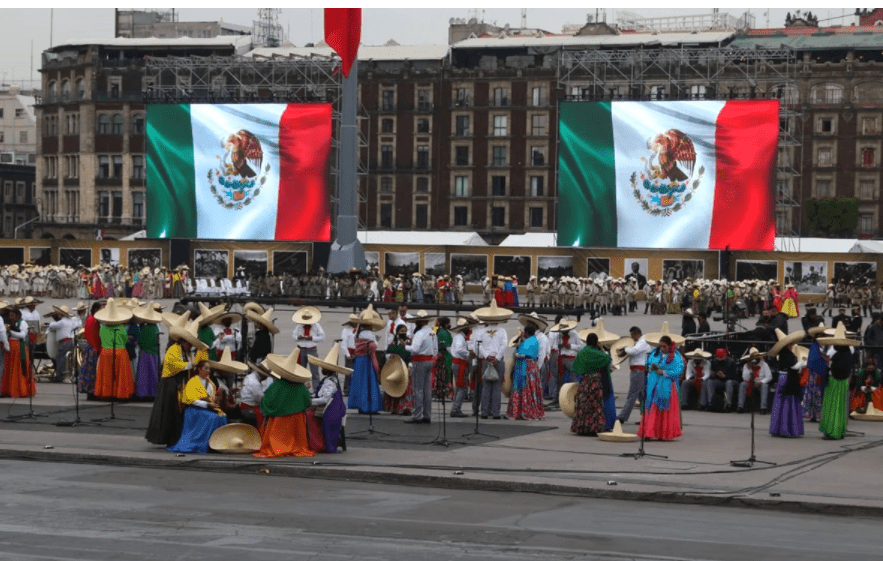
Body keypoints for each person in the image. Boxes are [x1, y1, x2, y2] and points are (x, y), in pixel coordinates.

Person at [145, 319, 205, 446]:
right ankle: (169, 438)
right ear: (183, 340)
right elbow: (173, 364)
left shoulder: (187, 352)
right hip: (171, 383)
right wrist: (190, 365)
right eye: (189, 343)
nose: (191, 346)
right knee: (170, 411)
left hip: (181, 383)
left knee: (178, 412)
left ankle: (177, 436)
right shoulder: (174, 349)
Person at [254, 349, 315, 458]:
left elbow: (267, 401)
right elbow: (307, 401)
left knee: (279, 438)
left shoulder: (276, 386)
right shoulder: (301, 387)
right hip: (297, 419)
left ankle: (280, 448)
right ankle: (296, 447)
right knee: (296, 439)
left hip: (280, 419)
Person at [167, 360, 229, 454]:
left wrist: (213, 404)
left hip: (206, 408)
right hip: (194, 409)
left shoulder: (211, 383)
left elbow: (211, 398)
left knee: (222, 416)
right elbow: (191, 400)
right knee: (212, 417)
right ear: (200, 370)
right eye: (206, 368)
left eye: (209, 369)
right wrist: (207, 404)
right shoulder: (193, 381)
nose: (208, 371)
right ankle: (201, 443)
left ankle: (215, 444)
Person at [818, 325, 861, 440]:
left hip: (834, 382)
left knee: (832, 407)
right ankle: (839, 430)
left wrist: (828, 362)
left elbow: (833, 367)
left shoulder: (836, 353)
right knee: (841, 407)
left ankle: (832, 431)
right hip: (843, 382)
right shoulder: (850, 352)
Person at [638, 335, 683, 441]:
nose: (662, 348)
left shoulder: (675, 356)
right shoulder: (655, 353)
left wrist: (664, 372)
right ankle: (648, 432)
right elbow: (647, 363)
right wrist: (651, 367)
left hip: (666, 385)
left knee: (662, 408)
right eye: (661, 345)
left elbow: (678, 370)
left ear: (669, 346)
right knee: (650, 406)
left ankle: (663, 433)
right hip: (653, 382)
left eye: (664, 346)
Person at [307, 344, 351, 453]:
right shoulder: (329, 380)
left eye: (324, 367)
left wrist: (309, 401)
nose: (322, 369)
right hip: (328, 409)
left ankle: (316, 443)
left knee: (308, 415)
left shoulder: (330, 382)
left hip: (330, 412)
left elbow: (323, 399)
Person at [93, 299, 135, 401]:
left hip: (106, 352)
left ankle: (106, 393)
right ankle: (120, 393)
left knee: (106, 374)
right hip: (120, 351)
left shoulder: (103, 328)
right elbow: (125, 340)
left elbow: (101, 338)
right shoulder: (121, 328)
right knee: (121, 375)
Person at [768, 328, 807, 438]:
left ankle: (779, 427)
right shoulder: (787, 354)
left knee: (781, 403)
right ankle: (788, 428)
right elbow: (793, 367)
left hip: (783, 377)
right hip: (788, 379)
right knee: (788, 402)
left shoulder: (783, 353)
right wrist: (803, 362)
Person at [570, 332, 611, 436]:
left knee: (583, 404)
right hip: (595, 382)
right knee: (595, 404)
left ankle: (581, 427)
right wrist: (601, 348)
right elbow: (608, 359)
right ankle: (594, 427)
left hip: (585, 381)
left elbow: (576, 366)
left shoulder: (582, 352)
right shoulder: (598, 354)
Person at [347, 305, 384, 414]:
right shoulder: (370, 334)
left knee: (360, 383)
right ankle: (370, 406)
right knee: (369, 383)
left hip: (359, 361)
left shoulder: (358, 333)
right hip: (367, 360)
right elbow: (373, 349)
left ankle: (361, 406)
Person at [404, 311, 438, 424]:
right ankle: (427, 415)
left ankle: (417, 415)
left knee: (418, 389)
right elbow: (435, 350)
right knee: (427, 389)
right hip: (429, 360)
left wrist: (405, 346)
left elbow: (415, 349)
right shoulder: (432, 333)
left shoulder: (420, 333)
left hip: (419, 361)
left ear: (419, 322)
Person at [506, 324, 544, 420]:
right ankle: (527, 410)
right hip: (532, 367)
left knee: (526, 388)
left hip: (526, 367)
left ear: (526, 333)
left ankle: (521, 411)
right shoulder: (535, 340)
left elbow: (523, 354)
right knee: (531, 389)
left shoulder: (529, 341)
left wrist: (517, 354)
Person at [616, 326, 651, 424]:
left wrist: (625, 347)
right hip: (638, 371)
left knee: (632, 395)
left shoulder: (643, 342)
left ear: (636, 334)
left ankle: (622, 416)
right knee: (642, 395)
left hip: (638, 371)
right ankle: (646, 417)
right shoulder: (640, 342)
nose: (631, 338)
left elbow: (633, 351)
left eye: (632, 336)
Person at [0, 306, 34, 398]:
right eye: (10, 315)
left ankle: (19, 390)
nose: (11, 317)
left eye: (13, 315)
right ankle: (7, 390)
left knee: (18, 369)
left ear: (18, 316)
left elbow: (22, 335)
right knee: (9, 368)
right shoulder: (11, 323)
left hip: (19, 347)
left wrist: (10, 332)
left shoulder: (22, 323)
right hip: (11, 347)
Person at [133, 303, 162, 400]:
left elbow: (140, 341)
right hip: (153, 353)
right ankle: (153, 393)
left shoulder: (145, 329)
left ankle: (142, 393)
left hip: (144, 353)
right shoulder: (155, 328)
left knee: (143, 375)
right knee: (153, 373)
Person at [384, 323, 415, 415]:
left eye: (405, 331)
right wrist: (391, 357)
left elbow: (411, 354)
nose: (403, 332)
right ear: (397, 332)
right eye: (401, 331)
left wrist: (410, 364)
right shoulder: (393, 343)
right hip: (396, 367)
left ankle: (406, 408)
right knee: (395, 387)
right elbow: (387, 354)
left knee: (405, 388)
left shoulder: (409, 342)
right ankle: (395, 408)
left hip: (406, 367)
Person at [292, 306, 325, 390]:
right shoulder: (299, 325)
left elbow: (322, 337)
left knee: (315, 372)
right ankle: (300, 389)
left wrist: (312, 338)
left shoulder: (316, 326)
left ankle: (316, 390)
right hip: (301, 349)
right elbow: (293, 336)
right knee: (300, 371)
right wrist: (298, 338)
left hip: (312, 349)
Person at [804, 323, 830, 422]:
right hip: (815, 375)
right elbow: (812, 361)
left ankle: (818, 414)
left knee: (820, 394)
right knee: (815, 394)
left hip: (823, 373)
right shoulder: (815, 346)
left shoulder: (826, 346)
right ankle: (813, 414)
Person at [448, 317, 475, 418]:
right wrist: (469, 353)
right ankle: (456, 409)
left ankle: (455, 408)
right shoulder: (460, 337)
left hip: (458, 363)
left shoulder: (458, 337)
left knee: (460, 387)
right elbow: (459, 350)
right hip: (460, 363)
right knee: (462, 388)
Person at [240, 359, 272, 434]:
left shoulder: (249, 376)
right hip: (250, 408)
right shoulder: (255, 383)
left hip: (245, 405)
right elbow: (260, 399)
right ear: (262, 374)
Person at [78, 302, 103, 397]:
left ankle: (90, 391)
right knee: (92, 372)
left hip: (90, 347)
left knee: (89, 371)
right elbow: (94, 336)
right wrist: (98, 348)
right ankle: (91, 391)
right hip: (93, 348)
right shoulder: (93, 320)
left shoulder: (90, 318)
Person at [45, 305, 75, 384]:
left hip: (64, 342)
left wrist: (50, 323)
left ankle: (59, 376)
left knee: (60, 359)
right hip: (69, 341)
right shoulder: (70, 320)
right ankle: (64, 375)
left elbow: (52, 325)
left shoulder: (62, 321)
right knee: (65, 359)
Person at [738, 348, 772, 414]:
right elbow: (745, 378)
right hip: (750, 382)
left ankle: (763, 408)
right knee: (742, 384)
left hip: (761, 383)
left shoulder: (764, 364)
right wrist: (749, 368)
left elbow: (769, 377)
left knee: (764, 386)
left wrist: (761, 382)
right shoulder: (746, 365)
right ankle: (740, 406)